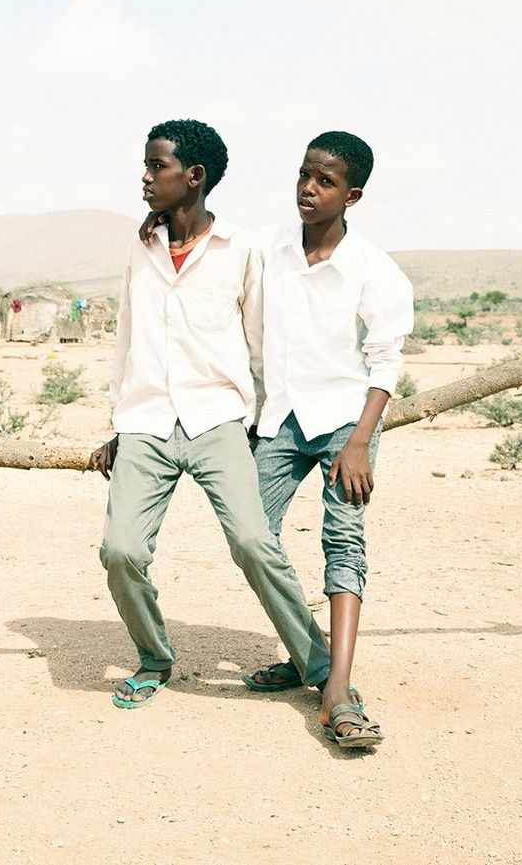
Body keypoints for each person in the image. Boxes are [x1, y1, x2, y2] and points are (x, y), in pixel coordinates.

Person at [89, 118, 330, 710]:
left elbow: (261, 343)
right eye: (146, 166)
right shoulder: (140, 245)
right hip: (145, 421)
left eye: (157, 167)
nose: (145, 177)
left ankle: (320, 665)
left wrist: (263, 422)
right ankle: (153, 658)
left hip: (218, 418)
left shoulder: (241, 250)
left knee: (253, 541)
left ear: (193, 177)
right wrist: (119, 422)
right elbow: (127, 336)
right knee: (120, 551)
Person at [243, 131, 414, 747]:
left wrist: (362, 440)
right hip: (282, 417)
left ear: (353, 194)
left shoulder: (373, 269)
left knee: (344, 539)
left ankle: (336, 690)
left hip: (347, 421)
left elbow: (385, 359)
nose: (308, 190)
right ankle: (307, 654)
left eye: (326, 181)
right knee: (250, 535)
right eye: (304, 175)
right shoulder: (268, 248)